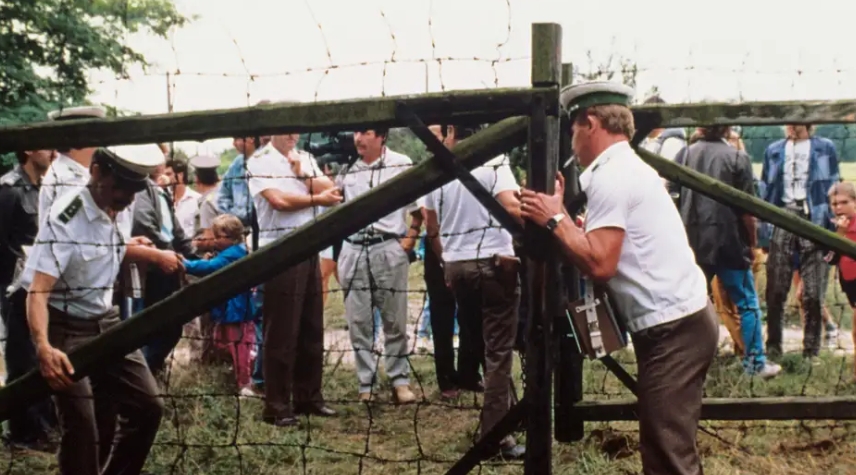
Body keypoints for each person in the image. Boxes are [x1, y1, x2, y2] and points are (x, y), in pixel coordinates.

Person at [520, 81, 717, 475]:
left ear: (590, 123)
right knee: (664, 446)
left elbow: (600, 264)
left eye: (574, 127)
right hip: (676, 321)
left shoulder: (613, 176)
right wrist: (565, 222)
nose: (572, 139)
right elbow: (602, 244)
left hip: (673, 328)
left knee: (668, 455)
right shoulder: (623, 168)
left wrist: (554, 220)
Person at [21, 146, 166, 475]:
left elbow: (105, 245)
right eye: (120, 188)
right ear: (97, 171)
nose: (127, 199)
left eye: (134, 191)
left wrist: (142, 251)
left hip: (106, 318)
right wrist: (43, 346)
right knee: (82, 425)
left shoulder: (123, 203)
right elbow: (39, 289)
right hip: (63, 324)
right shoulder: (66, 217)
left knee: (148, 407)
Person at [424, 123, 525, 459]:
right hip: (492, 264)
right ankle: (496, 438)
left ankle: (508, 416)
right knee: (498, 354)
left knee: (483, 347)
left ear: (452, 131)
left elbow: (432, 228)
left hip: (456, 266)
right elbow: (510, 208)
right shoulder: (495, 161)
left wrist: (447, 263)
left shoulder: (438, 166)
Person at [247, 126, 341, 427]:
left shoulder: (304, 158)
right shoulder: (259, 161)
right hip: (280, 248)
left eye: (296, 132)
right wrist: (316, 199)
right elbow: (279, 201)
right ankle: (276, 405)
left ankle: (308, 397)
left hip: (309, 245)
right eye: (286, 131)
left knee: (311, 326)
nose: (292, 137)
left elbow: (332, 190)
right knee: (282, 331)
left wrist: (305, 175)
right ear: (271, 131)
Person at [671, 125, 780, 378]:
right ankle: (756, 364)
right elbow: (747, 211)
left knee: (689, 303)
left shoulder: (684, 154)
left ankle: (691, 365)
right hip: (729, 241)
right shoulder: (737, 157)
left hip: (691, 241)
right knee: (747, 303)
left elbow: (672, 200)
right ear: (728, 128)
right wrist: (752, 243)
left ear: (699, 126)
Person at [336, 128, 422, 404]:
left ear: (382, 136)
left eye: (367, 132)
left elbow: (418, 211)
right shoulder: (345, 167)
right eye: (357, 132)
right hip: (353, 246)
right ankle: (366, 383)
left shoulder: (400, 163)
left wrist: (408, 242)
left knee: (394, 318)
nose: (359, 138)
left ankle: (399, 380)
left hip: (388, 246)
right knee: (358, 320)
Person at [760, 123, 839, 358]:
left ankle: (811, 352)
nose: (790, 126)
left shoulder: (825, 148)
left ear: (808, 123)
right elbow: (765, 190)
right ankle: (774, 348)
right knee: (775, 291)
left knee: (813, 294)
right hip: (782, 217)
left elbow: (834, 185)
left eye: (796, 121)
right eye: (787, 122)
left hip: (814, 219)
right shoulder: (773, 150)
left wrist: (833, 227)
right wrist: (765, 230)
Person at [0, 148, 57, 450]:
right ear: (28, 151)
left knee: (42, 353)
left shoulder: (45, 187)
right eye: (45, 146)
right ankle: (22, 433)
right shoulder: (8, 190)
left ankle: (44, 425)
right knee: (21, 358)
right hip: (13, 287)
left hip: (39, 285)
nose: (52, 152)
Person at [183, 214, 258, 395]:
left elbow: (208, 268)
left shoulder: (232, 255)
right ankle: (243, 368)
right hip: (231, 310)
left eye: (218, 237)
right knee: (223, 342)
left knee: (238, 347)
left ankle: (245, 383)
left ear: (232, 237)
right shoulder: (233, 251)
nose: (214, 241)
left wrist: (184, 264)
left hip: (236, 311)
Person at [827, 181, 856, 378]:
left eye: (844, 202)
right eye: (834, 204)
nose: (838, 207)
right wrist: (840, 234)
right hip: (848, 279)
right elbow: (831, 257)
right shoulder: (839, 227)